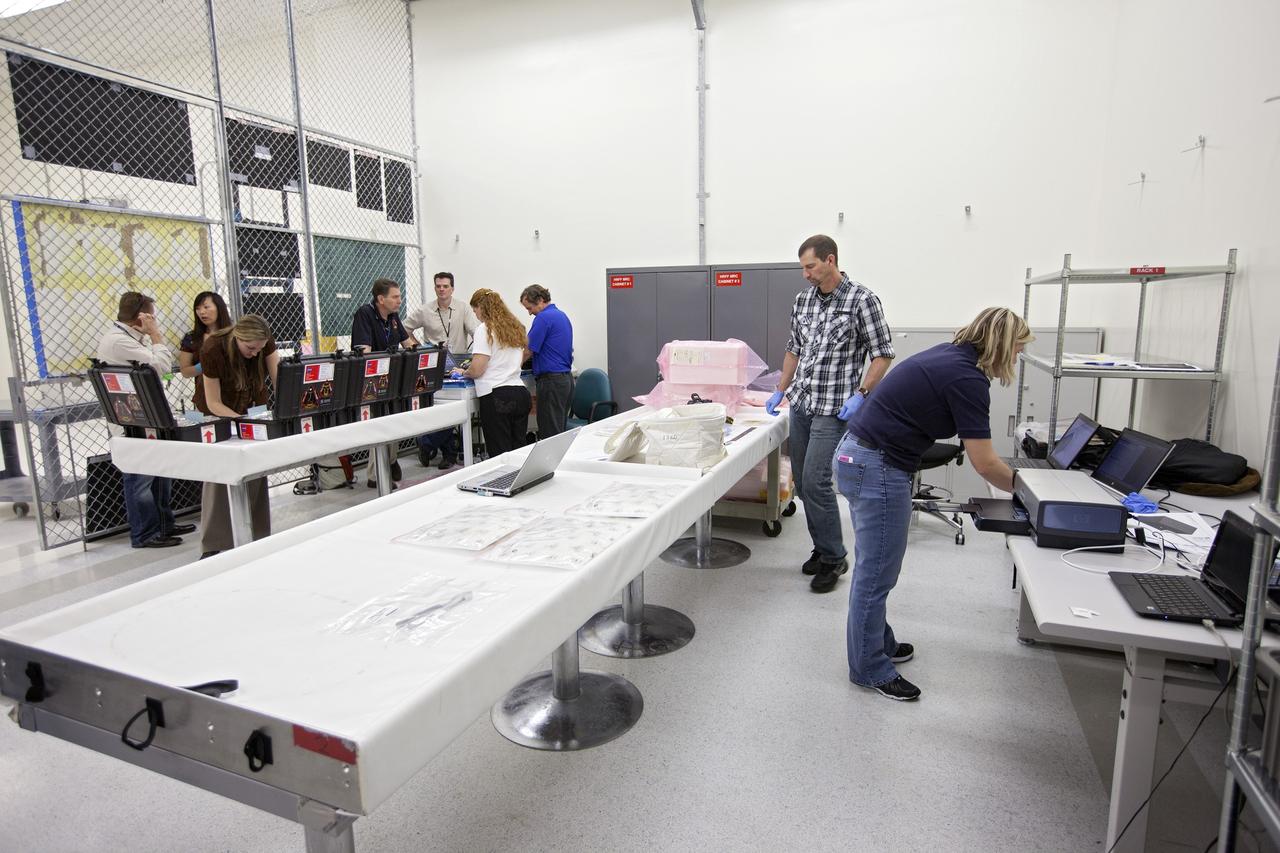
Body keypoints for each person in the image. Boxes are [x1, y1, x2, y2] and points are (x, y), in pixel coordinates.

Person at [838, 307, 1032, 702]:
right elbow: (985, 464)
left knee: (875, 569)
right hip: (876, 465)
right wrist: (1033, 490)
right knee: (875, 575)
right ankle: (869, 668)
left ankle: (879, 642)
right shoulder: (967, 378)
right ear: (999, 344)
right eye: (1016, 349)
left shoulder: (951, 354)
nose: (1015, 359)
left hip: (859, 456)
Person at [766, 234, 894, 594]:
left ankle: (835, 556)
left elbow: (882, 352)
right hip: (803, 403)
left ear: (830, 260)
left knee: (818, 481)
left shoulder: (861, 300)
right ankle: (823, 549)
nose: (805, 274)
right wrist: (781, 388)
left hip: (835, 407)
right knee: (803, 484)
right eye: (803, 268)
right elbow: (794, 348)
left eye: (810, 266)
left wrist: (862, 394)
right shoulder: (803, 300)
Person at [96, 291, 197, 549]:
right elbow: (161, 367)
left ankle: (164, 524)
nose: (154, 321)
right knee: (140, 478)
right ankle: (145, 533)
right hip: (132, 421)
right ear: (141, 316)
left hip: (146, 415)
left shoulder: (130, 338)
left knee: (160, 472)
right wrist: (155, 335)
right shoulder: (119, 341)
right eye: (151, 316)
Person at [194, 314, 280, 558]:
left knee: (256, 469)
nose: (255, 353)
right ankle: (215, 544)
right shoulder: (212, 348)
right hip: (219, 413)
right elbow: (213, 402)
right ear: (238, 338)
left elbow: (279, 378)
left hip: (253, 409)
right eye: (250, 348)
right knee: (218, 476)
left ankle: (258, 534)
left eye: (260, 349)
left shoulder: (263, 343)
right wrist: (240, 421)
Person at [402, 272, 478, 470]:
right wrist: (418, 349)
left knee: (454, 410)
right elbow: (403, 330)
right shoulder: (425, 310)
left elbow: (476, 332)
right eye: (438, 286)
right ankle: (446, 452)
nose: (442, 289)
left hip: (457, 365)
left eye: (445, 286)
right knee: (440, 409)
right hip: (434, 365)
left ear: (452, 288)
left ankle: (430, 446)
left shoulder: (463, 308)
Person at [351, 278, 414, 488]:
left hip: (392, 378)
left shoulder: (393, 317)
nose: (400, 301)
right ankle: (376, 475)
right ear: (381, 299)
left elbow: (408, 343)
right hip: (372, 381)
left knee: (395, 422)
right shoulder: (365, 314)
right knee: (378, 425)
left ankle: (391, 460)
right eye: (395, 297)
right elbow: (364, 352)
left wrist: (426, 355)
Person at [452, 289, 531, 455]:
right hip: (520, 393)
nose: (476, 315)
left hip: (497, 396)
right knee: (519, 451)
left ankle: (503, 482)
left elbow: (478, 369)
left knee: (500, 454)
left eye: (475, 310)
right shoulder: (515, 328)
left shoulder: (485, 329)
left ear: (482, 307)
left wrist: (464, 372)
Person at [520, 284, 574, 438]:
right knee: (558, 431)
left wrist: (512, 368)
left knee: (549, 434)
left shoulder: (543, 318)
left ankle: (552, 463)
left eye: (529, 308)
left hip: (551, 383)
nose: (530, 313)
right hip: (565, 380)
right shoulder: (561, 315)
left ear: (541, 300)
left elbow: (528, 350)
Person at [178, 291, 232, 380]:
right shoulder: (192, 337)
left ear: (219, 308)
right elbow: (185, 371)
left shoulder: (234, 334)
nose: (201, 312)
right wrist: (204, 366)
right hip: (203, 389)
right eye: (197, 308)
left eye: (206, 307)